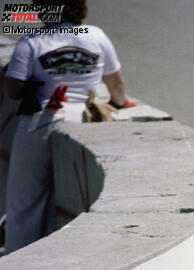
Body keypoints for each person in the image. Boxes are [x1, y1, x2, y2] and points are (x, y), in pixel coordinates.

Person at [1, 0, 131, 253]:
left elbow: (12, 90)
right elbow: (116, 83)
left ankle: (20, 260)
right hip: (82, 120)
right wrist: (118, 103)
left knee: (24, 203)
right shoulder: (95, 36)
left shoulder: (33, 40)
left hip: (39, 122)